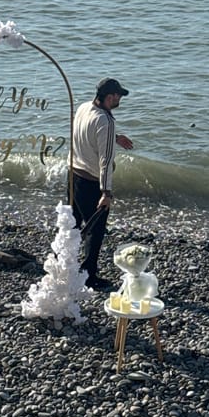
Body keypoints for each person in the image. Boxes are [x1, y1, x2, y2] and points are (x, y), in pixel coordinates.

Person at [72, 77, 133, 291]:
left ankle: (65, 262)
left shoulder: (83, 108)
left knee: (73, 224)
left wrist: (114, 137)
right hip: (90, 181)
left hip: (73, 175)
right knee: (95, 231)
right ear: (110, 97)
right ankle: (88, 276)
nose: (120, 100)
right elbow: (105, 162)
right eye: (118, 96)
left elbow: (86, 132)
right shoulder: (106, 121)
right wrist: (106, 193)